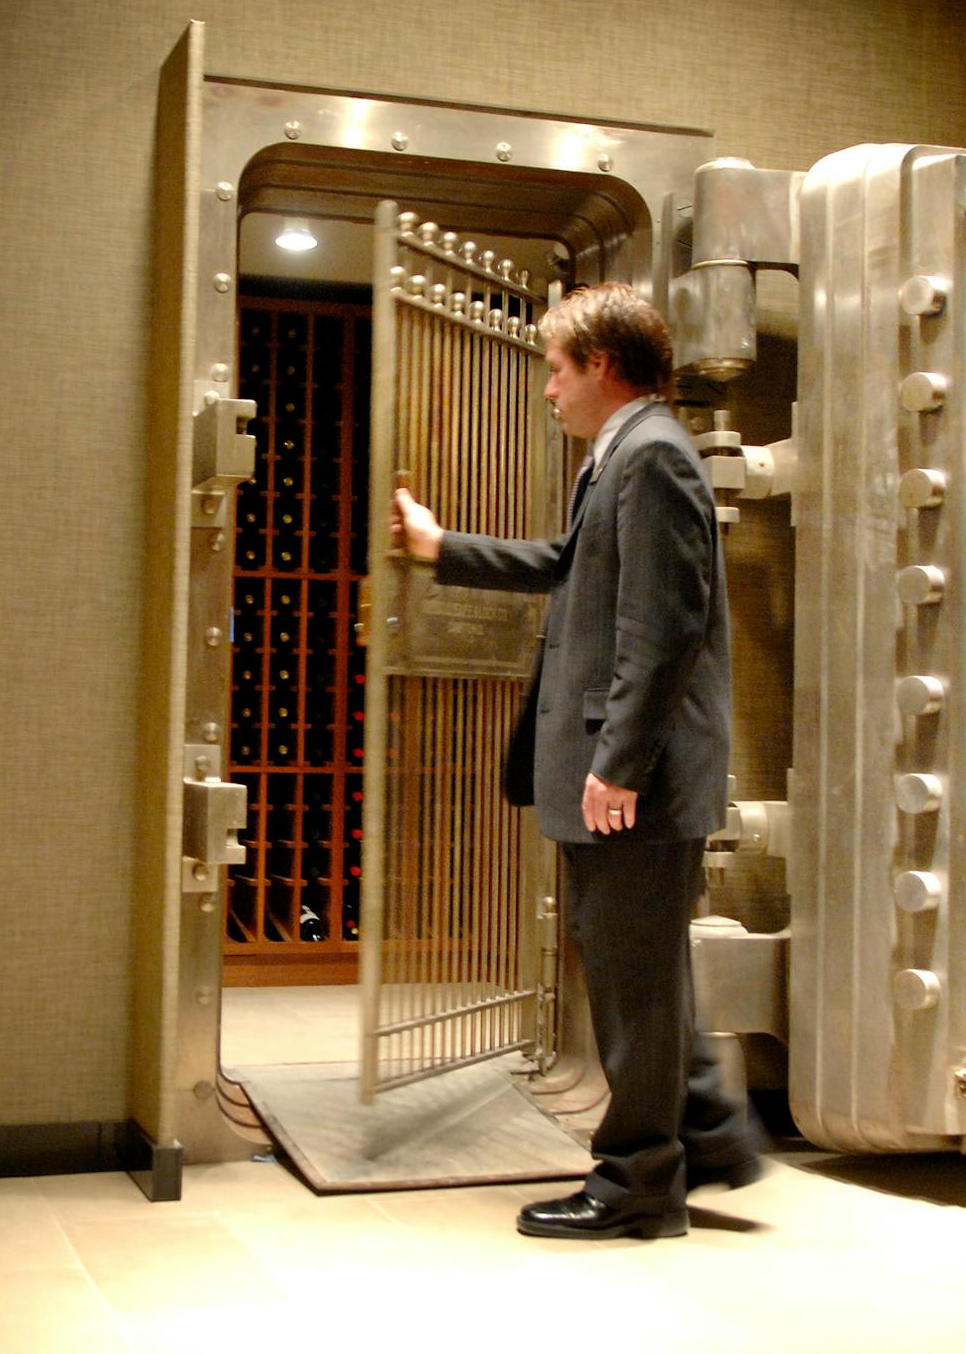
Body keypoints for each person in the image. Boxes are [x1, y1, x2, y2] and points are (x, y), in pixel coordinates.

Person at [389, 282, 759, 1240]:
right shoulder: (626, 456)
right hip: (626, 767)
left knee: (631, 973)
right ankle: (705, 1134)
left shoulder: (654, 459)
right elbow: (571, 563)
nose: (548, 391)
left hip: (634, 775)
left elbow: (665, 630)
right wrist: (443, 548)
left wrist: (619, 764)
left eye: (556, 370)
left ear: (600, 364)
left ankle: (639, 1182)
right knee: (640, 966)